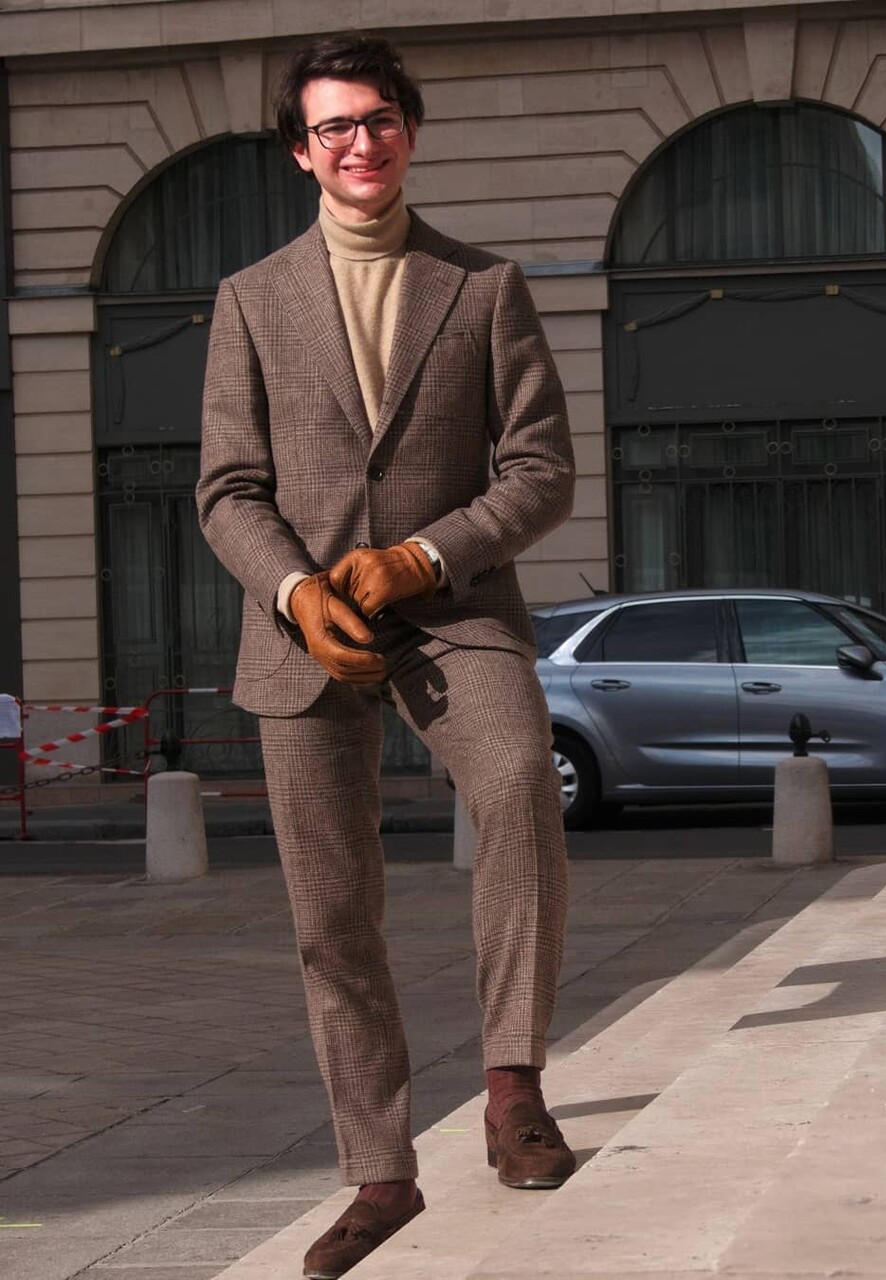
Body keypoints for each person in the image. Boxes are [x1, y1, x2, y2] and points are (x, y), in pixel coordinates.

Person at [196, 31, 576, 1279]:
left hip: (450, 605)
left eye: (378, 118)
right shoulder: (251, 298)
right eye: (335, 126)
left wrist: (420, 557)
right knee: (332, 907)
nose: (360, 141)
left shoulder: (483, 286)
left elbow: (541, 471)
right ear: (301, 152)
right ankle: (379, 1170)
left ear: (409, 129)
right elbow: (227, 489)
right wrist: (296, 590)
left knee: (517, 779)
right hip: (303, 624)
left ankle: (511, 1083)